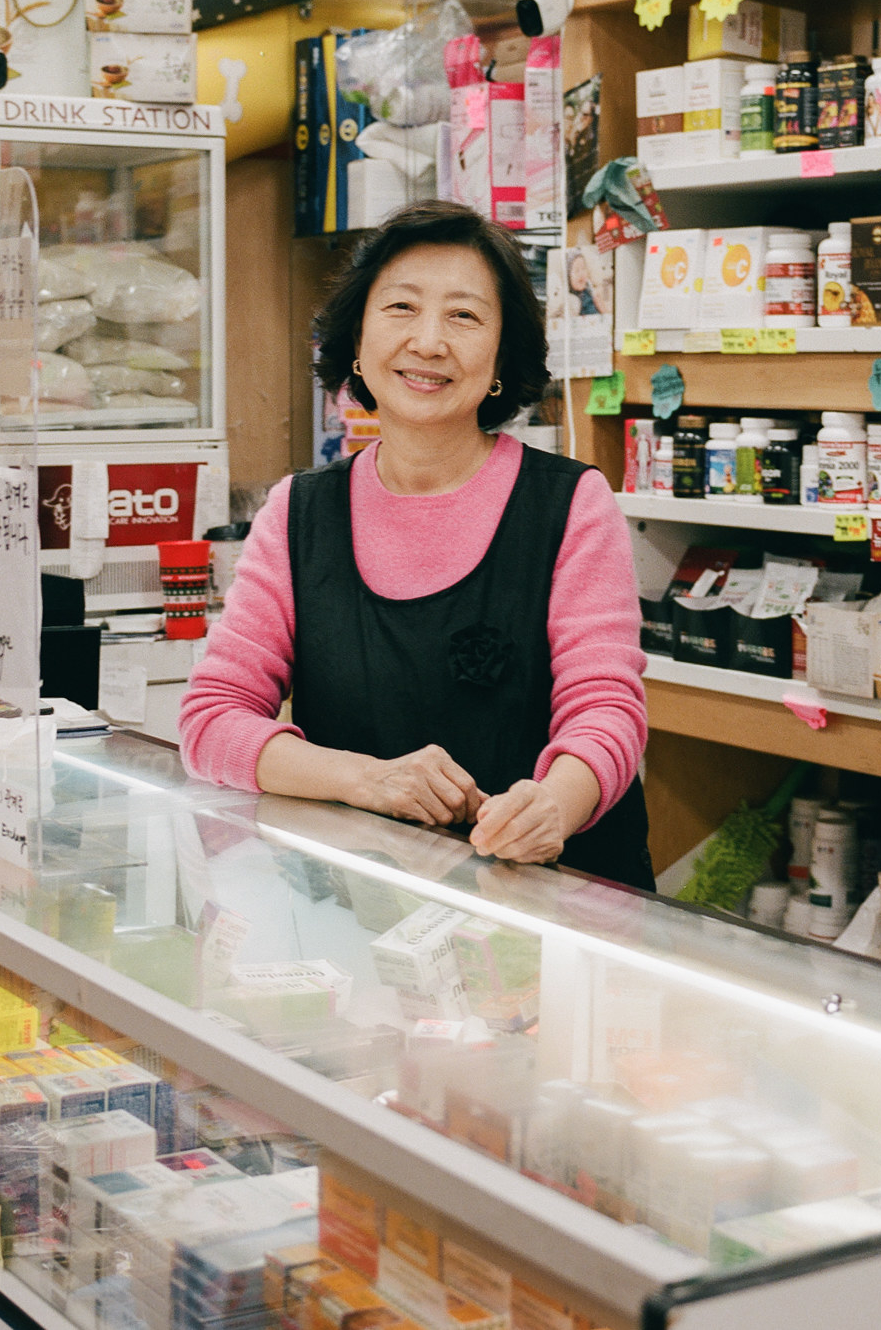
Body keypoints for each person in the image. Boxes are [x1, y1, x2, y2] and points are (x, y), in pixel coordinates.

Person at [180, 201, 651, 886]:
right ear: (357, 340)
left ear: (500, 355)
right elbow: (211, 719)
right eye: (401, 307)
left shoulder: (569, 503)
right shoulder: (299, 513)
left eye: (463, 316)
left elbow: (605, 710)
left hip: (549, 903)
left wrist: (553, 805)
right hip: (357, 912)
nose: (428, 342)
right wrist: (364, 780)